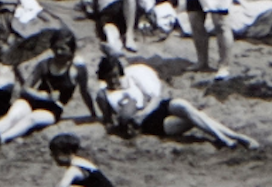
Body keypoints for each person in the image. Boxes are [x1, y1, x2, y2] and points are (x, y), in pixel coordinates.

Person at [95, 55, 256, 149]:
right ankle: (234, 137)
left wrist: (144, 111)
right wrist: (124, 123)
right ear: (103, 77)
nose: (113, 80)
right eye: (109, 77)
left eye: (115, 75)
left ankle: (228, 138)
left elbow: (155, 97)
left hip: (154, 108)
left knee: (182, 105)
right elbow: (108, 121)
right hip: (148, 124)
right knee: (193, 117)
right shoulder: (103, 95)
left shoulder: (131, 79)